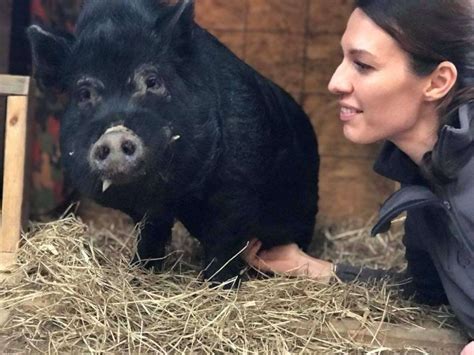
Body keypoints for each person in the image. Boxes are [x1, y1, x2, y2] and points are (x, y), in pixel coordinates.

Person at [242, 0, 474, 351]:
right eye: (344, 59)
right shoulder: (424, 181)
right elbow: (428, 291)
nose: (336, 82)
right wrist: (312, 269)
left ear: (438, 81)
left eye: (362, 65)